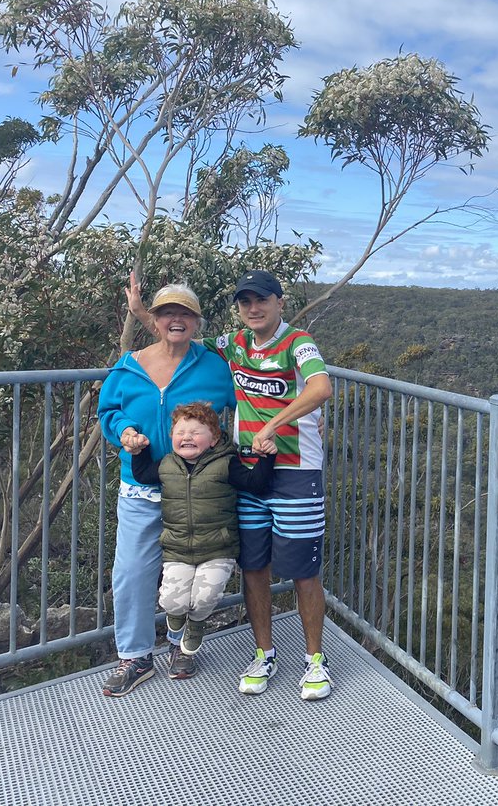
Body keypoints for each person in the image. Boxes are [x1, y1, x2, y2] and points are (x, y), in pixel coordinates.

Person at [129, 269, 334, 700]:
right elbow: (177, 332)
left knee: (302, 570)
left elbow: (320, 387)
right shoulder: (234, 344)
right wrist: (142, 312)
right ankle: (264, 653)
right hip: (248, 468)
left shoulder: (299, 343)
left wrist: (274, 425)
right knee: (254, 566)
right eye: (245, 302)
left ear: (280, 302)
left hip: (296, 470)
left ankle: (315, 660)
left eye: (262, 300)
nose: (253, 308)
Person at [97, 284, 235, 697]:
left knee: (193, 572)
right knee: (132, 573)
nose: (176, 320)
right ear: (154, 322)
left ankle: (181, 646)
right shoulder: (128, 366)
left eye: (186, 315)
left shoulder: (215, 366)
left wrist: (304, 418)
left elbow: (251, 400)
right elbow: (109, 411)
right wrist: (125, 433)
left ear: (197, 323)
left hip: (197, 491)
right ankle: (136, 656)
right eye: (166, 314)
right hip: (142, 487)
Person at [125, 401, 278, 680]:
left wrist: (267, 458)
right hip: (177, 550)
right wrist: (140, 450)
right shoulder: (166, 466)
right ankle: (180, 617)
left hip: (218, 550)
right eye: (180, 432)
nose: (187, 437)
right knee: (171, 601)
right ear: (171, 438)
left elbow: (257, 483)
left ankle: (196, 623)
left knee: (205, 597)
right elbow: (141, 474)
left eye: (196, 432)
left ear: (214, 438)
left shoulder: (226, 464)